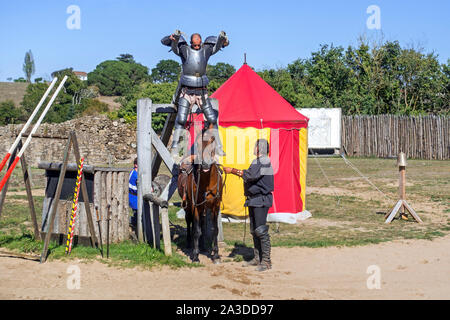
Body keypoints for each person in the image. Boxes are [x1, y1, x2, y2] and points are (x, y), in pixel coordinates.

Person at [161, 30, 229, 157]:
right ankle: (175, 147)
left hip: (202, 90)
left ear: (201, 42)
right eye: (194, 45)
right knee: (181, 119)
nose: (197, 47)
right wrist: (174, 39)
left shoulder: (206, 50)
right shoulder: (184, 50)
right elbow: (171, 46)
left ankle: (219, 146)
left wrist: (221, 38)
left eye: (198, 45)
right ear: (191, 43)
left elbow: (219, 46)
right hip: (187, 90)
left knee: (212, 118)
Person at [223, 139, 274, 271]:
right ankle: (258, 258)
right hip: (253, 200)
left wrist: (232, 170)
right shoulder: (258, 161)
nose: (253, 148)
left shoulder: (264, 161)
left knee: (261, 231)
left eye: (255, 146)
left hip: (261, 200)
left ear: (259, 148)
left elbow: (250, 175)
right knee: (254, 230)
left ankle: (266, 261)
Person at [129, 157, 138, 233]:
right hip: (134, 197)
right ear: (136, 165)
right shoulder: (134, 174)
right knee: (137, 214)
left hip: (135, 196)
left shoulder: (135, 172)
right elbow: (134, 189)